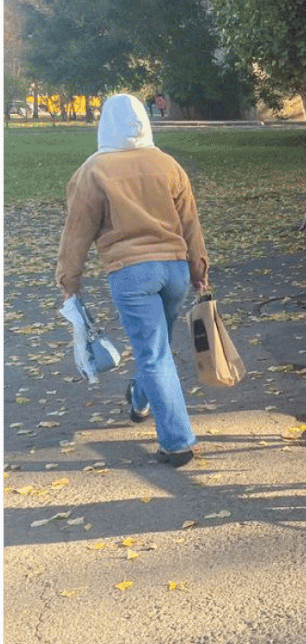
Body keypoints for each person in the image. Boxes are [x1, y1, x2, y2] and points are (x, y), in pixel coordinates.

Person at [55, 93, 209, 467]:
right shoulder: (168, 165)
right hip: (173, 269)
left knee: (153, 353)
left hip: (131, 273)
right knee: (155, 349)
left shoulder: (93, 171)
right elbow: (190, 222)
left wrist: (69, 280)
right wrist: (199, 269)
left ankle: (177, 442)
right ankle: (140, 400)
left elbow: (77, 232)